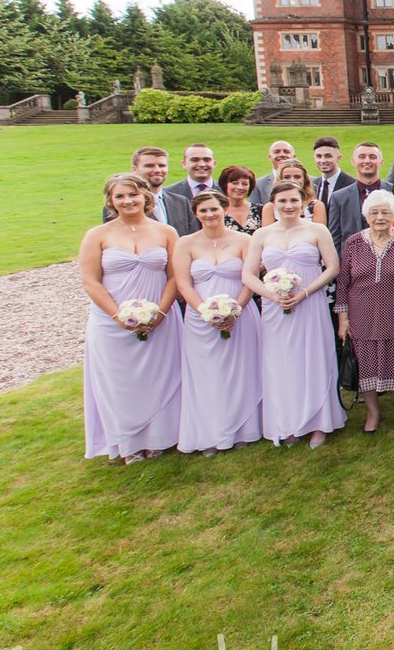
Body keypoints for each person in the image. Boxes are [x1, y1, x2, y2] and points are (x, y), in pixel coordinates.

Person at [80, 173, 182, 463]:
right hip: (111, 321)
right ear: (110, 200)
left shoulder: (166, 232)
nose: (127, 201)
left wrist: (160, 312)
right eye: (120, 196)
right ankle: (128, 443)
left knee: (159, 376)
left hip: (160, 316)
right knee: (120, 380)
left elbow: (175, 276)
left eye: (133, 195)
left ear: (145, 196)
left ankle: (161, 437)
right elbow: (91, 281)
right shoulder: (97, 235)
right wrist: (118, 316)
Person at [243, 181, 344, 449]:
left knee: (313, 358)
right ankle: (286, 422)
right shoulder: (262, 235)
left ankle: (318, 422)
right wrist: (270, 294)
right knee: (281, 363)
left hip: (310, 303)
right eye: (283, 201)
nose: (288, 206)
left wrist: (306, 293)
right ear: (273, 204)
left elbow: (332, 267)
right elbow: (248, 274)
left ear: (303, 203)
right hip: (275, 307)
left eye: (293, 201)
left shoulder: (316, 230)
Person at [173, 190, 263, 455]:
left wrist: (236, 310)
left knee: (241, 370)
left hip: (241, 313)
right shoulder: (185, 243)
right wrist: (204, 311)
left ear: (224, 209)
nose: (210, 214)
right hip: (200, 317)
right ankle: (210, 432)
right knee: (206, 374)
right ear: (196, 214)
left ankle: (244, 428)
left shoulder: (244, 240)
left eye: (214, 209)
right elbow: (183, 283)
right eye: (203, 211)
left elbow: (251, 278)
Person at [335, 189, 394, 433]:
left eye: (385, 212)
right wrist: (343, 319)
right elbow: (343, 282)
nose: (380, 217)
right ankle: (373, 411)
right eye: (374, 212)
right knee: (367, 363)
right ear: (366, 215)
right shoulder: (354, 243)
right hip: (362, 314)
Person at [114, 146, 197, 236]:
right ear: (135, 170)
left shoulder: (181, 202)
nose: (157, 170)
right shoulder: (122, 205)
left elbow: (193, 238)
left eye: (162, 165)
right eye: (149, 166)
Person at [328, 142, 392, 253]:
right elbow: (335, 239)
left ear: (381, 162)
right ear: (353, 161)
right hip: (352, 264)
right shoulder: (339, 198)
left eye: (373, 157)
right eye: (362, 157)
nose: (367, 161)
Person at [259, 159, 327, 226]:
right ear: (280, 180)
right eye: (287, 177)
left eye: (297, 177)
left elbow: (320, 233)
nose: (292, 180)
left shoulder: (316, 206)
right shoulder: (270, 207)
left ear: (305, 179)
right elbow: (267, 234)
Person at [218, 165, 262, 234]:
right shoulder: (217, 212)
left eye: (245, 184)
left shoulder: (260, 210)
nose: (240, 187)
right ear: (225, 184)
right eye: (234, 183)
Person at [311, 136, 354, 206]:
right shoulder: (312, 185)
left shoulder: (352, 185)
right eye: (318, 156)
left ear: (338, 158)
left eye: (328, 156)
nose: (323, 160)